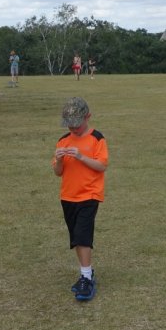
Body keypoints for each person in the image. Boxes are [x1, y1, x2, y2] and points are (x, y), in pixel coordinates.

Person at [52, 97, 108, 302]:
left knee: (83, 234)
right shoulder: (63, 141)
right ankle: (87, 272)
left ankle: (85, 278)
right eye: (70, 124)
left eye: (77, 123)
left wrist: (81, 157)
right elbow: (58, 172)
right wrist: (58, 160)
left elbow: (102, 166)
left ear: (88, 117)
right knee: (76, 236)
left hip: (89, 195)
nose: (73, 128)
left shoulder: (97, 138)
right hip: (68, 196)